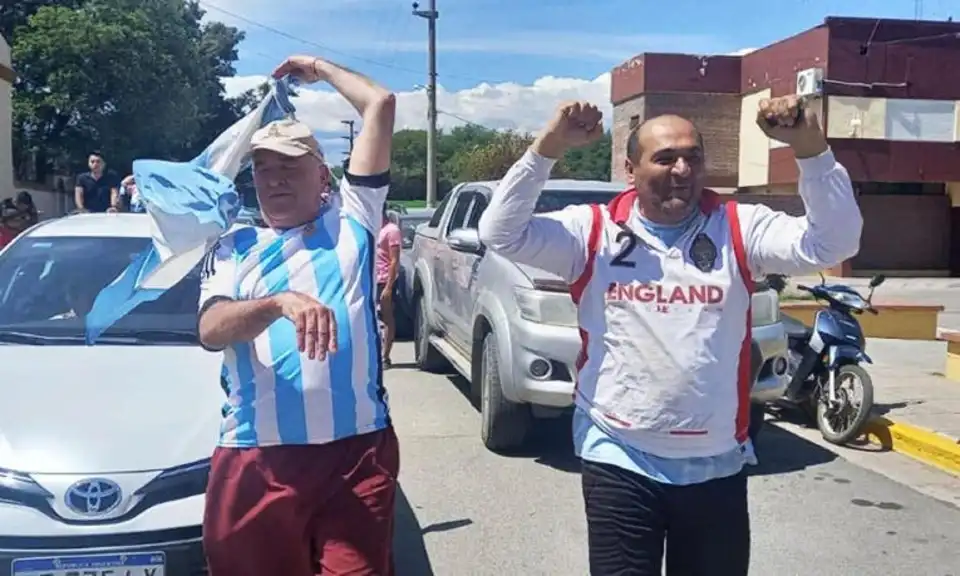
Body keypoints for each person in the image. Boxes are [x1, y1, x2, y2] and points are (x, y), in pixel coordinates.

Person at [477, 97, 862, 576]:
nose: (681, 169)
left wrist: (810, 147)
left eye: (692, 158)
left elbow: (836, 243)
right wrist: (549, 147)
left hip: (716, 462)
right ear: (631, 168)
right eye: (664, 158)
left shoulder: (739, 227)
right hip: (617, 453)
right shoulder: (592, 230)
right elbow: (500, 233)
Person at [196, 54, 397, 576]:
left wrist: (319, 68)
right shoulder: (233, 247)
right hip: (256, 456)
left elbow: (380, 103)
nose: (274, 180)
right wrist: (274, 304)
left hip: (355, 453)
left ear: (323, 175)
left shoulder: (354, 220)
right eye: (263, 168)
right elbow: (211, 330)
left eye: (289, 166)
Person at [376, 204, 402, 367]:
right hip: (372, 279)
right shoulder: (372, 228)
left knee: (387, 318)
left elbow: (394, 260)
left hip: (386, 280)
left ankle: (385, 356)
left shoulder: (391, 230)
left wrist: (389, 287)